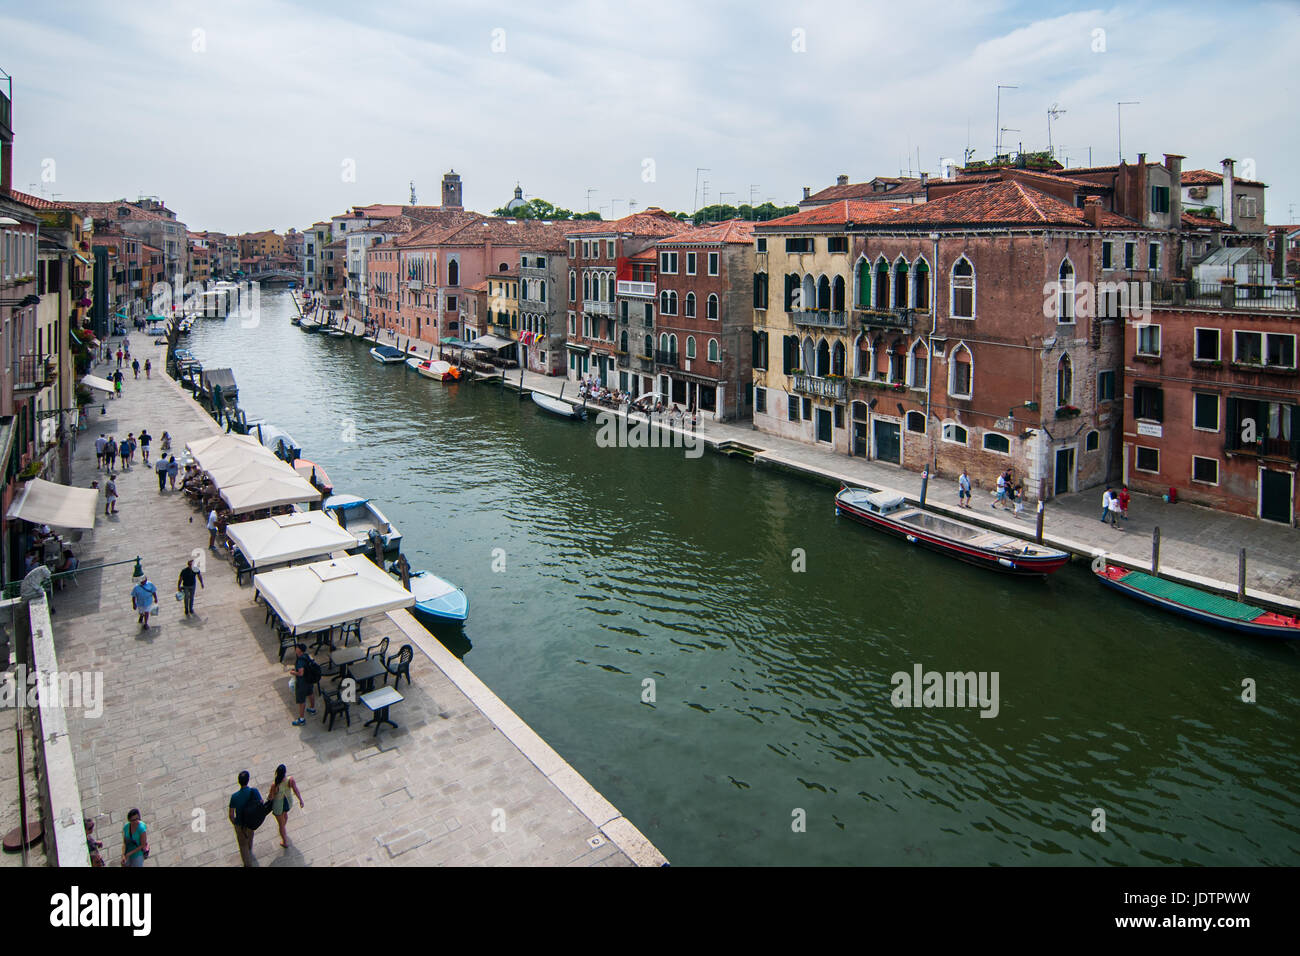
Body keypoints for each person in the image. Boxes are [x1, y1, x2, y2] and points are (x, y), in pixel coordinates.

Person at [228, 771, 263, 867]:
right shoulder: (254, 791)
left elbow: (231, 815)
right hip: (250, 822)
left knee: (242, 845)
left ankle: (247, 863)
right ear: (248, 780)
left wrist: (235, 823)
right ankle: (250, 848)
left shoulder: (234, 797)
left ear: (239, 782)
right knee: (250, 837)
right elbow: (261, 802)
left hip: (240, 824)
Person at [267, 765, 304, 849]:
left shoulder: (275, 785)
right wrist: (300, 800)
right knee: (285, 815)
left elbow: (271, 797)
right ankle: (283, 828)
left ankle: (284, 841)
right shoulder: (290, 780)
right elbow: (296, 790)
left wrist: (269, 796)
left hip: (278, 805)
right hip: (288, 802)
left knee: (281, 824)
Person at [291, 643, 317, 726]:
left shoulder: (300, 661)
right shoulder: (306, 656)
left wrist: (293, 672)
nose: (296, 649)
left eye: (297, 648)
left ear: (299, 650)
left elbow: (301, 673)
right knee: (310, 693)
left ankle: (301, 719)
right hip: (309, 679)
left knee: (301, 700)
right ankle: (312, 709)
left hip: (302, 682)